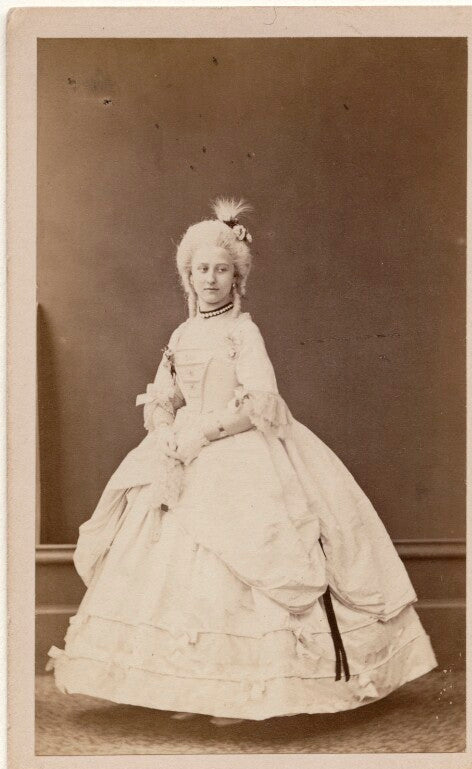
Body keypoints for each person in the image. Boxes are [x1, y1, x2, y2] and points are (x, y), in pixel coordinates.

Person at [47, 198, 437, 724]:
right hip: (180, 451)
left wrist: (202, 435)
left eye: (221, 270)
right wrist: (164, 431)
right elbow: (163, 396)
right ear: (188, 276)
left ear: (237, 277)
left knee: (248, 551)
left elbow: (260, 402)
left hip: (236, 448)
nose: (210, 279)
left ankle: (241, 691)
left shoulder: (242, 332)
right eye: (201, 270)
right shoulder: (181, 334)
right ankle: (190, 688)